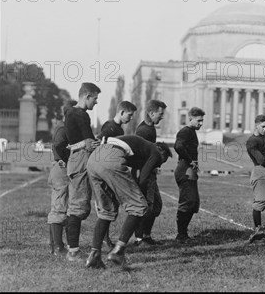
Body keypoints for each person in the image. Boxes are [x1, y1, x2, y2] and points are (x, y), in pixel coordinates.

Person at [84, 135, 173, 268]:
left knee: (106, 211)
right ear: (161, 150)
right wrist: (141, 197)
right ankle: (118, 252)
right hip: (112, 158)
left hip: (94, 159)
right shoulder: (155, 151)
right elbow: (143, 178)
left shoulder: (142, 147)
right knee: (139, 206)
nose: (159, 164)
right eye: (161, 161)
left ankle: (94, 255)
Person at [64, 82, 101, 262]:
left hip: (76, 159)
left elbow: (79, 141)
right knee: (78, 206)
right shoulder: (80, 114)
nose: (96, 102)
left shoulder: (71, 113)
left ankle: (73, 248)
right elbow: (89, 141)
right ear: (87, 96)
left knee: (79, 206)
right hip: (80, 160)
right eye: (95, 98)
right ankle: (73, 252)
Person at [96, 100, 137, 249]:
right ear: (121, 112)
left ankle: (104, 239)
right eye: (130, 115)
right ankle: (103, 240)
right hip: (106, 172)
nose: (131, 118)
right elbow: (101, 145)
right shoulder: (110, 127)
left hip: (111, 172)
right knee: (106, 208)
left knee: (111, 206)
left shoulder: (119, 130)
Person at [133, 99, 167, 246]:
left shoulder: (151, 128)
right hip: (144, 174)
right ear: (151, 113)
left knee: (156, 206)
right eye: (160, 114)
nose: (162, 117)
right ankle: (139, 239)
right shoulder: (143, 131)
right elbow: (138, 155)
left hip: (150, 173)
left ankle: (146, 236)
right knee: (147, 206)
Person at [47, 99, 77, 255]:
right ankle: (58, 247)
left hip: (62, 170)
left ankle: (56, 244)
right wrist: (65, 159)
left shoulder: (68, 129)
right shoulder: (64, 129)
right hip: (60, 169)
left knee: (63, 208)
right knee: (59, 208)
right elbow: (59, 145)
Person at [173, 107, 205, 244]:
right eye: (199, 120)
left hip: (189, 170)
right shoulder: (185, 131)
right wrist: (190, 160)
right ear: (190, 118)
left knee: (193, 203)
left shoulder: (191, 131)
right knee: (187, 201)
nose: (201, 123)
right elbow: (178, 146)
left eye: (202, 120)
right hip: (184, 170)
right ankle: (181, 235)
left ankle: (183, 233)